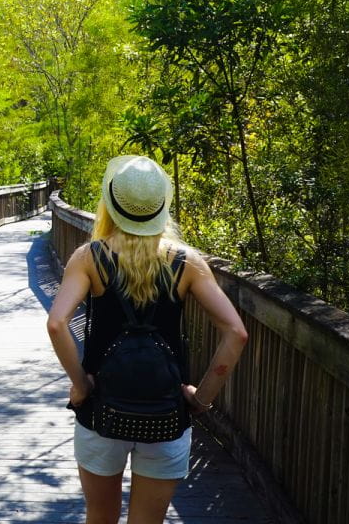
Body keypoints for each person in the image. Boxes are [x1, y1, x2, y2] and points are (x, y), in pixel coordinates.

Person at [46, 155, 248, 524]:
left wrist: (81, 385)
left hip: (100, 413)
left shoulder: (89, 257)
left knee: (100, 517)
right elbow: (236, 332)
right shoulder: (186, 262)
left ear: (110, 201)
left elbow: (58, 324)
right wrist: (201, 399)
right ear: (161, 207)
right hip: (166, 416)